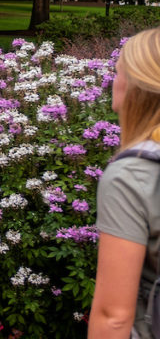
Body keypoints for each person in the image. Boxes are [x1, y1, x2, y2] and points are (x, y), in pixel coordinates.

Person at [89, 27, 160, 338]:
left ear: (135, 87)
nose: (112, 81)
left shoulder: (133, 175)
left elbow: (113, 317)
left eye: (117, 71)